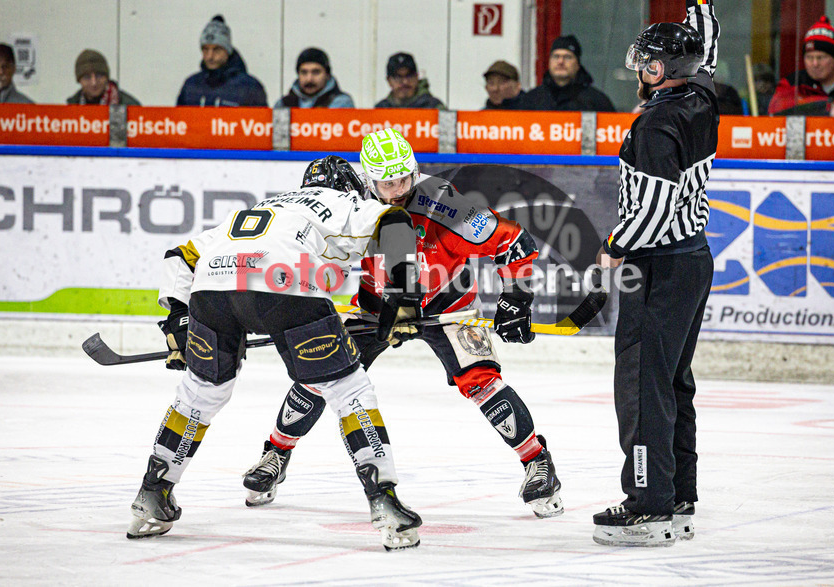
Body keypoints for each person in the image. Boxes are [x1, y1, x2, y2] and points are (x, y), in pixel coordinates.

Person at [242, 128, 564, 519]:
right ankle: (275, 455)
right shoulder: (352, 209)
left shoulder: (447, 206)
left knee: (480, 379)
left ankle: (537, 461)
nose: (396, 191)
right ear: (368, 181)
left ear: (415, 171)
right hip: (377, 306)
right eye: (386, 183)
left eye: (403, 180)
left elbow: (515, 244)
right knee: (318, 371)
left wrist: (517, 299)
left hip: (447, 304)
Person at [127, 156, 424, 551]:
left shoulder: (263, 207)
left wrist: (178, 319)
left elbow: (179, 256)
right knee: (348, 390)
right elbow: (397, 224)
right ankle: (384, 502)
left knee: (201, 392)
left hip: (212, 290)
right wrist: (403, 296)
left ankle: (152, 493)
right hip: (284, 284)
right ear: (350, 186)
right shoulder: (341, 201)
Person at [593, 0, 719, 547]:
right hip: (694, 260)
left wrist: (615, 244)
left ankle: (648, 503)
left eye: (646, 62)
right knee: (673, 380)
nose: (638, 70)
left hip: (659, 267)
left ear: (661, 72)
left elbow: (654, 204)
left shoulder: (653, 122)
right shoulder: (700, 95)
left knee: (644, 384)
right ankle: (679, 493)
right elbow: (707, 49)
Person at [177, 15, 268, 107]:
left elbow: (261, 120)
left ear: (227, 51)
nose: (210, 56)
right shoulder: (191, 85)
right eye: (205, 49)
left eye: (216, 50)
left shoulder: (249, 87)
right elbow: (177, 119)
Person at [519, 35, 615, 112]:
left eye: (567, 57)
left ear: (577, 64)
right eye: (556, 56)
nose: (560, 61)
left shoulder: (596, 101)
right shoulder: (531, 100)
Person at [274, 47, 355, 108]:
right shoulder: (284, 104)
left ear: (327, 74)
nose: (309, 79)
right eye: (304, 72)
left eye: (316, 72)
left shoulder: (341, 102)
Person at [66, 49, 141, 106]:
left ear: (107, 78)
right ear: (79, 80)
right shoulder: (70, 108)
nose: (94, 83)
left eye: (99, 76)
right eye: (87, 77)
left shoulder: (129, 106)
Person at [375, 52, 445, 109]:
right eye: (398, 78)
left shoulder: (434, 108)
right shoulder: (380, 109)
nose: (405, 82)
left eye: (409, 76)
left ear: (417, 77)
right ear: (389, 81)